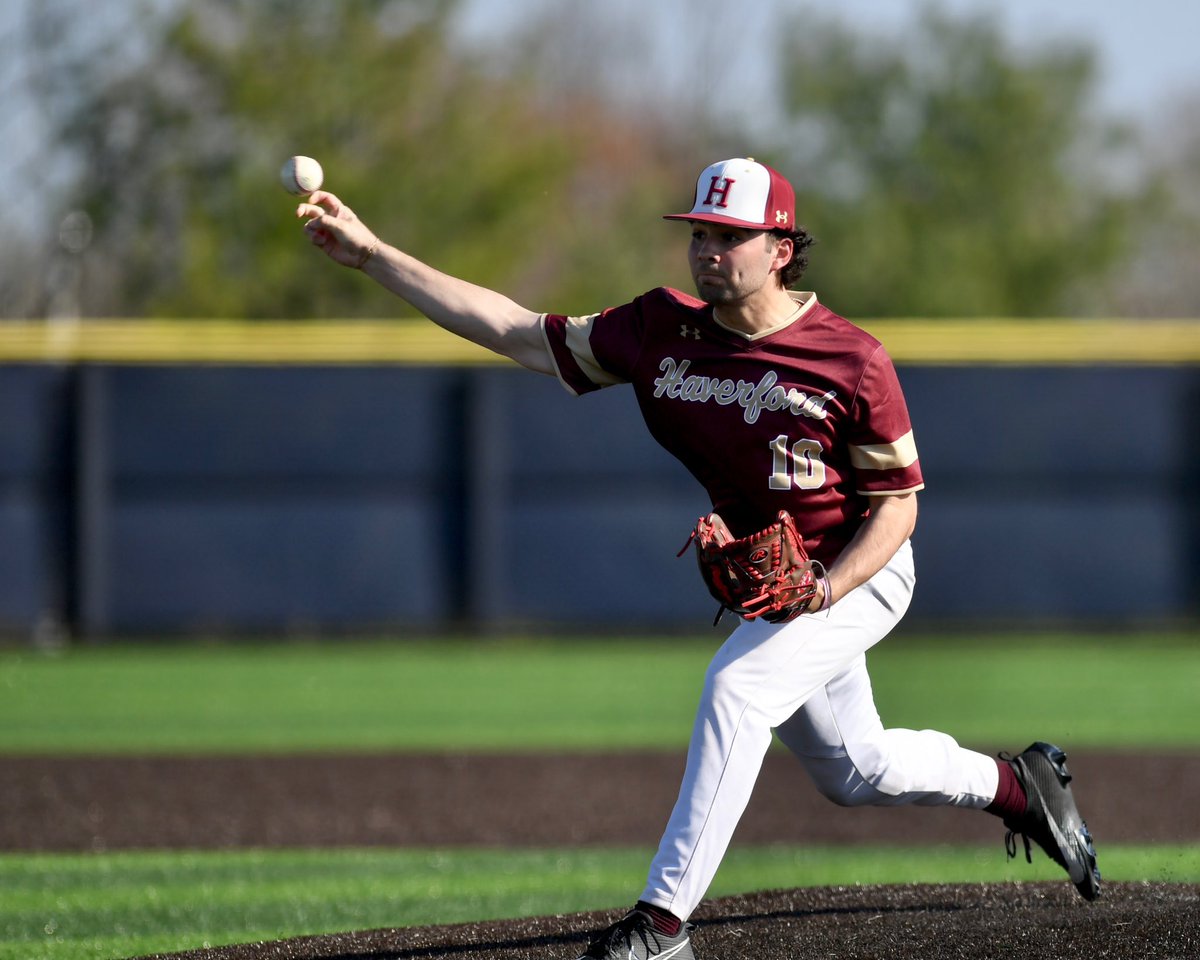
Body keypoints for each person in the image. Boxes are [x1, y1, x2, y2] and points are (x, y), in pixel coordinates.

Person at [296, 157, 1101, 960]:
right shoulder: (658, 330)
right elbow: (515, 331)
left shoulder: (850, 359)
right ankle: (1018, 786)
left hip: (861, 569)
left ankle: (663, 924)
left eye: (729, 235)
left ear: (780, 248)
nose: (707, 249)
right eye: (699, 234)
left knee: (738, 684)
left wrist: (825, 589)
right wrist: (373, 255)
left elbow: (898, 506)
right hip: (785, 583)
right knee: (857, 770)